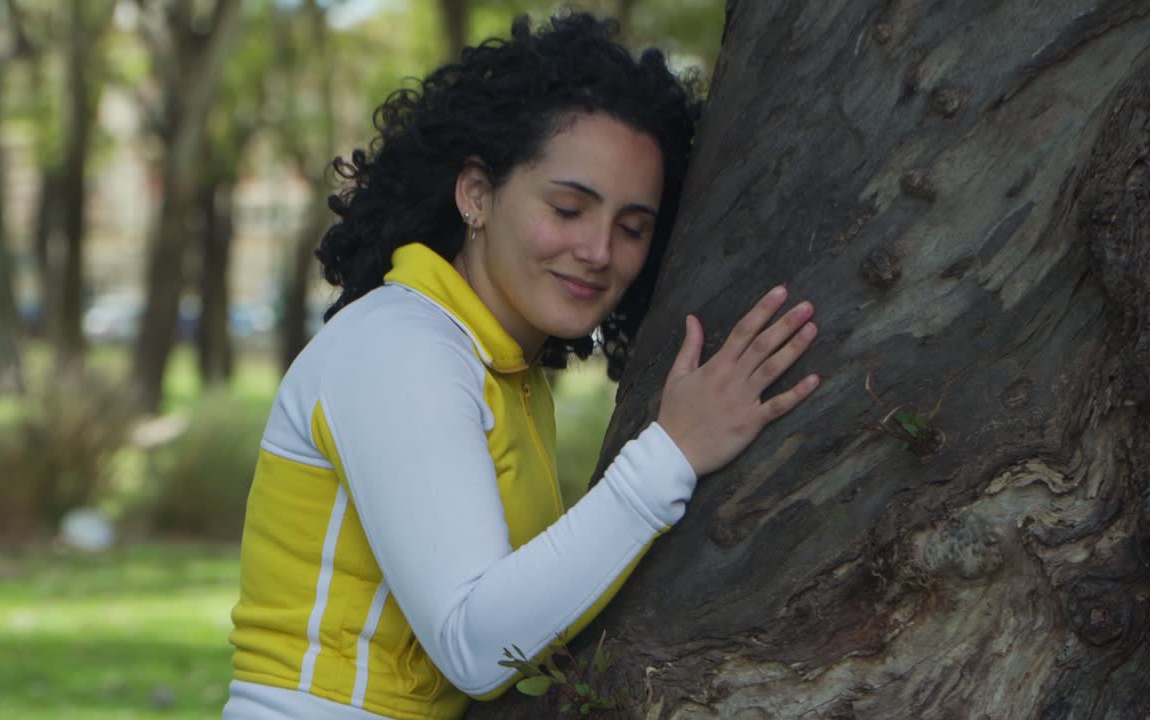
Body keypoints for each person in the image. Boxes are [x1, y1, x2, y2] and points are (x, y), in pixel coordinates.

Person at [224, 12, 819, 720]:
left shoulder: (499, 367)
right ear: (477, 194)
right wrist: (671, 452)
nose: (599, 250)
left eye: (632, 228)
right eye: (568, 208)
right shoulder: (401, 347)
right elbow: (476, 645)